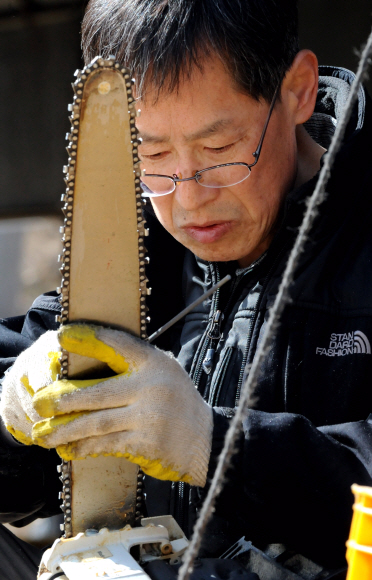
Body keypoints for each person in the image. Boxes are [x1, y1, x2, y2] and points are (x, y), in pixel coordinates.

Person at [0, 1, 372, 579]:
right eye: (151, 157)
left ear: (297, 90)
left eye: (220, 152)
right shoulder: (133, 253)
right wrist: (13, 405)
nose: (189, 199)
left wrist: (215, 445)